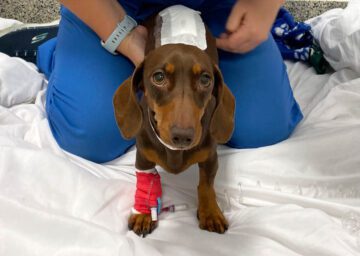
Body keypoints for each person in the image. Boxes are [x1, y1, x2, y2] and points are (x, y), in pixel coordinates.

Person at [36, 0, 303, 163]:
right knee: (91, 134)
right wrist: (124, 38)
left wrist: (265, 3)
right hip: (116, 6)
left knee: (265, 127)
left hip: (220, 6)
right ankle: (56, 50)